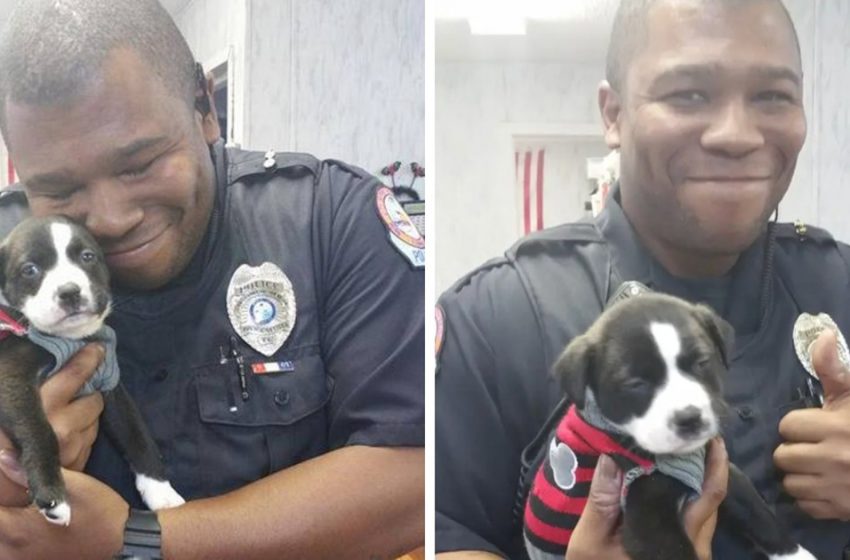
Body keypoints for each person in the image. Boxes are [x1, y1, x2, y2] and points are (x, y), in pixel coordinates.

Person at [0, 0, 424, 558]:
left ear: (205, 107)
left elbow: (414, 478)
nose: (108, 219)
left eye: (139, 164)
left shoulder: (329, 220)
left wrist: (141, 542)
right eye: (58, 188)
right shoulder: (10, 252)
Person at [435, 0, 850, 558]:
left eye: (772, 95)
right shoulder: (496, 315)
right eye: (689, 94)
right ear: (613, 115)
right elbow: (446, 532)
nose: (736, 134)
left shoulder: (840, 280)